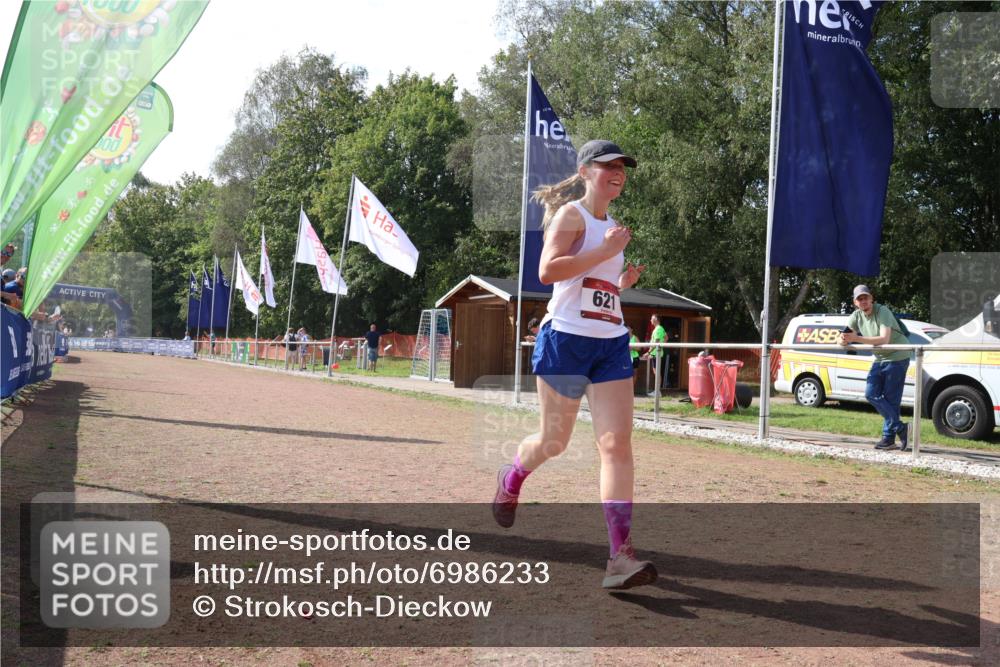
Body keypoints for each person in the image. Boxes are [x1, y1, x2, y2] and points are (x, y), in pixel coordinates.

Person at [491, 139, 656, 590]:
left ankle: (619, 556)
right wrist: (604, 253)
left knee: (616, 445)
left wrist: (620, 280)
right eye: (609, 165)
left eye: (623, 166)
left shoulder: (615, 227)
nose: (618, 172)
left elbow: (595, 290)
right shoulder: (570, 216)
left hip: (610, 344)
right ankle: (511, 477)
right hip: (565, 341)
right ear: (585, 171)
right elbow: (548, 272)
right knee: (554, 441)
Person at [838, 284, 911, 451]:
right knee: (871, 394)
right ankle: (900, 428)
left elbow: (884, 339)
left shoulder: (882, 311)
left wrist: (856, 338)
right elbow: (841, 339)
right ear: (855, 302)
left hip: (898, 356)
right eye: (859, 299)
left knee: (891, 399)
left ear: (872, 298)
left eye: (866, 297)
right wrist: (843, 338)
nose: (863, 301)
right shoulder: (855, 316)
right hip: (880, 358)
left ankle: (888, 439)